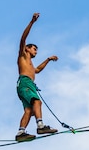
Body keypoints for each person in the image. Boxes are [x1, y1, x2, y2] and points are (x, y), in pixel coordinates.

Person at [15, 13, 59, 141]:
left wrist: (48, 59)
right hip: (25, 83)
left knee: (29, 110)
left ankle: (20, 133)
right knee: (37, 102)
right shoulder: (23, 55)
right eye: (34, 49)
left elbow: (37, 70)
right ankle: (40, 125)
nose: (36, 51)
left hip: (25, 84)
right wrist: (32, 22)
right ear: (27, 49)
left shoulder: (30, 64)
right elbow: (23, 39)